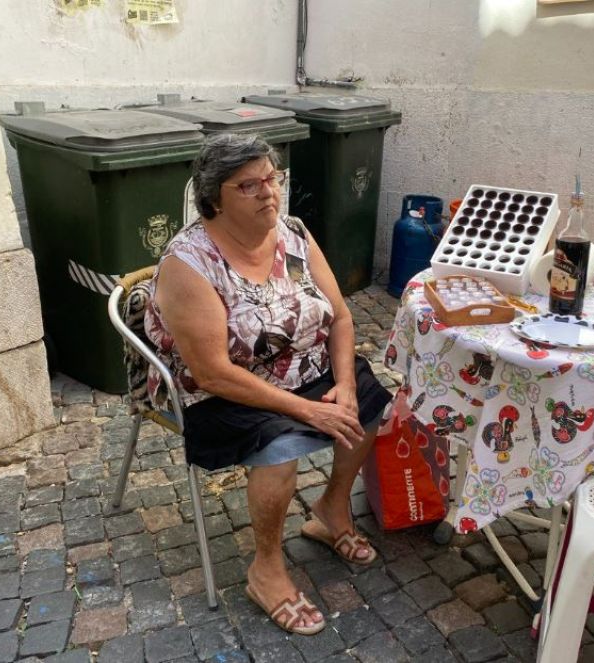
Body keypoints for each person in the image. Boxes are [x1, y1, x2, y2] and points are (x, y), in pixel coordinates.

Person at [144, 134, 392, 635]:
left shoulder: (293, 233)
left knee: (369, 402)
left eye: (272, 178)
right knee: (279, 448)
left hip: (299, 365)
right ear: (214, 197)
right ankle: (267, 569)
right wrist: (305, 411)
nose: (269, 193)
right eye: (249, 185)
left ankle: (331, 510)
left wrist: (343, 384)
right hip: (219, 389)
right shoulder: (189, 263)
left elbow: (340, 316)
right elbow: (212, 370)